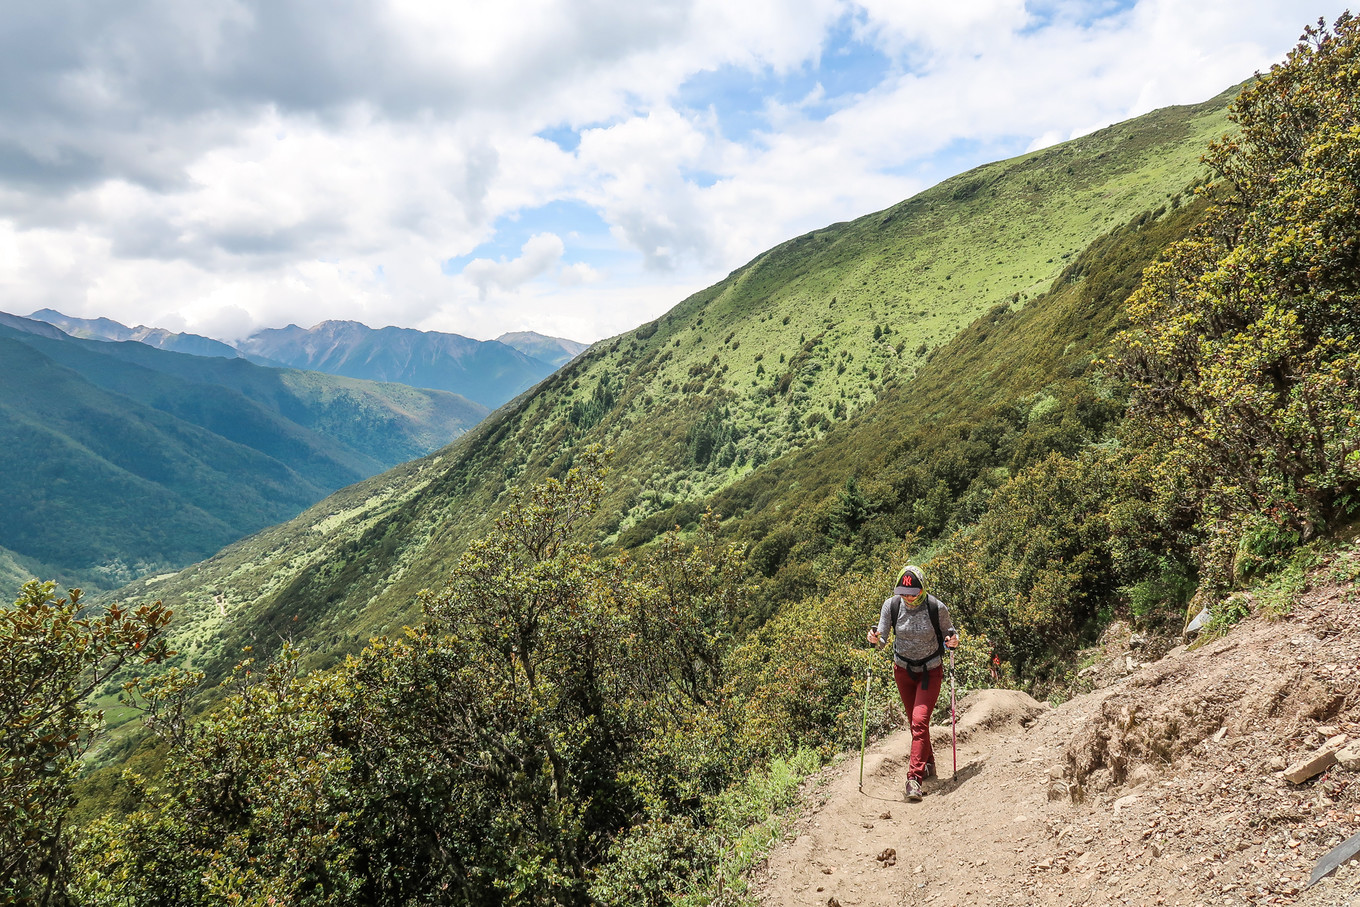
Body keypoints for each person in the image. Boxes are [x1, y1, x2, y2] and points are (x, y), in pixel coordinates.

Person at [867, 564, 958, 802]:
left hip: (930, 672)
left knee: (919, 721)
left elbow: (949, 634)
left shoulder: (936, 607)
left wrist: (953, 641)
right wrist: (875, 637)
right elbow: (883, 637)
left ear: (922, 589)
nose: (907, 597)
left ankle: (914, 779)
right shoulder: (892, 605)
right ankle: (928, 764)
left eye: (912, 593)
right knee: (914, 723)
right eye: (903, 592)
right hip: (903, 672)